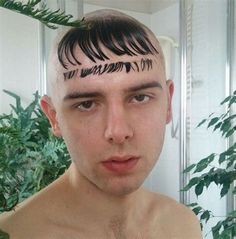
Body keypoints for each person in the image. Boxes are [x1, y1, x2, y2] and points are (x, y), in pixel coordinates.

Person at [0, 9, 202, 239]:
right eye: (86, 104)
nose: (118, 132)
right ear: (54, 118)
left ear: (168, 104)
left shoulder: (183, 225)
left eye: (139, 97)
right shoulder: (14, 233)